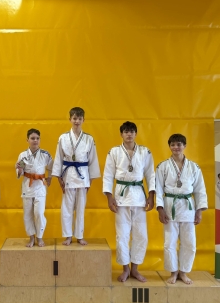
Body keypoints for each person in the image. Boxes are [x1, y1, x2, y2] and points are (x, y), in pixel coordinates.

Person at [102, 121, 155, 282]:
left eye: (132, 131)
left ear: (136, 134)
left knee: (141, 235)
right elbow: (108, 175)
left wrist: (151, 196)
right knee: (122, 236)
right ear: (121, 134)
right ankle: (125, 269)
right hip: (121, 198)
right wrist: (109, 197)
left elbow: (150, 174)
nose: (129, 134)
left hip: (139, 198)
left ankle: (135, 269)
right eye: (126, 131)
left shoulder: (145, 151)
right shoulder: (114, 152)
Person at [155, 134, 208, 285]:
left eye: (179, 144)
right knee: (169, 242)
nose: (176, 147)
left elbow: (200, 190)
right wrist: (160, 208)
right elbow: (158, 188)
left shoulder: (194, 167)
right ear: (169, 146)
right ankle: (173, 272)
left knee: (189, 243)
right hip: (170, 205)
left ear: (184, 146)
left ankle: (183, 272)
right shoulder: (162, 166)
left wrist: (199, 211)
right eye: (172, 144)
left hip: (187, 207)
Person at [51, 107, 100, 246]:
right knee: (67, 207)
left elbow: (92, 160)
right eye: (74, 118)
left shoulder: (89, 139)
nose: (77, 121)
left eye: (79, 119)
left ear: (84, 120)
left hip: (83, 175)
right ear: (70, 119)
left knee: (80, 208)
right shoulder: (63, 137)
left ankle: (79, 236)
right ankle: (68, 236)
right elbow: (59, 158)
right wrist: (59, 178)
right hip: (68, 174)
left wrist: (90, 181)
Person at [15, 128, 53, 248]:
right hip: (27, 187)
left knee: (39, 213)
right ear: (27, 140)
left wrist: (50, 177)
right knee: (27, 214)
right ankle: (31, 238)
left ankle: (39, 237)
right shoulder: (23, 155)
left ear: (40, 140)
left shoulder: (45, 154)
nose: (35, 140)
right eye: (32, 138)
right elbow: (19, 172)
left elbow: (52, 167)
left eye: (37, 138)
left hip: (40, 186)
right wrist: (19, 170)